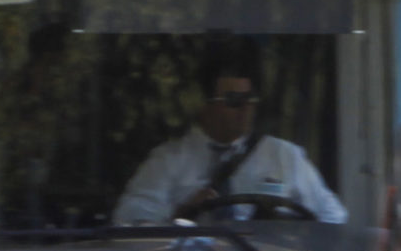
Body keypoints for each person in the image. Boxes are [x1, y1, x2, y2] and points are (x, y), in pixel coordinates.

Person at [111, 53, 345, 226]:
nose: (245, 108)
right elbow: (129, 220)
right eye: (234, 100)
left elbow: (334, 217)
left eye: (250, 99)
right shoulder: (168, 160)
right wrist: (180, 213)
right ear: (204, 105)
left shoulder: (284, 156)